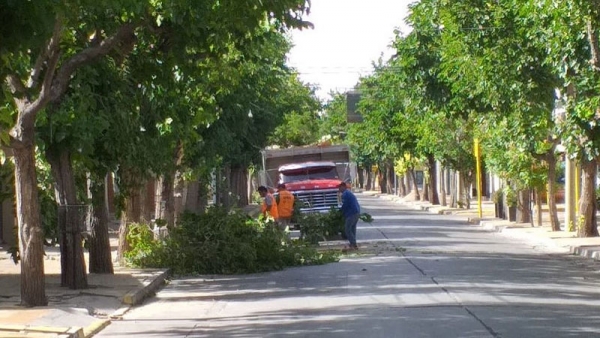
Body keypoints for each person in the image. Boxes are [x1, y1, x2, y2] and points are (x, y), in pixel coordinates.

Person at [338, 182, 360, 251]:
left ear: (344, 187)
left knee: (347, 229)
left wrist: (340, 212)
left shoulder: (345, 194)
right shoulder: (349, 193)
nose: (339, 189)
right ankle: (353, 243)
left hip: (351, 213)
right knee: (353, 229)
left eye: (340, 187)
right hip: (356, 212)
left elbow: (345, 205)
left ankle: (353, 244)